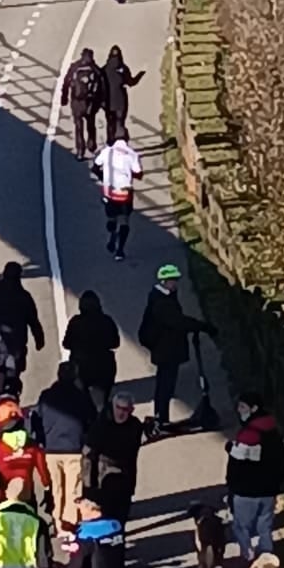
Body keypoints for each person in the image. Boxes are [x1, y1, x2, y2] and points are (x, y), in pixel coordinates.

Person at [30, 362, 95, 533]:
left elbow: (36, 419)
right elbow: (91, 418)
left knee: (56, 488)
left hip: (51, 448)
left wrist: (41, 440)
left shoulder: (47, 396)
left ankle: (58, 522)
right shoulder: (81, 396)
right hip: (73, 447)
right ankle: (70, 521)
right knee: (73, 488)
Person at [225, 392, 284, 567]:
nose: (239, 410)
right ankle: (267, 557)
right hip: (269, 490)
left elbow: (240, 459)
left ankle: (249, 556)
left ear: (254, 409)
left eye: (243, 407)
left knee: (240, 526)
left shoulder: (249, 435)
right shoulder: (273, 430)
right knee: (264, 526)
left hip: (247, 491)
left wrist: (230, 447)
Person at [139, 264, 202, 429]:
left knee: (165, 384)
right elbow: (177, 321)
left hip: (165, 349)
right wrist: (199, 325)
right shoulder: (162, 302)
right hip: (167, 350)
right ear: (164, 281)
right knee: (165, 385)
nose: (175, 283)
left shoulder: (164, 296)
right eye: (172, 280)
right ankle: (161, 418)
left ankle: (161, 417)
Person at [0, 261, 46, 395]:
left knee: (0, 368)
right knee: (13, 369)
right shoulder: (24, 296)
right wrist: (39, 339)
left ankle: (0, 395)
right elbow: (33, 320)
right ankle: (12, 396)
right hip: (16, 341)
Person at [0, 399, 53, 517]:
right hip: (28, 498)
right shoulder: (31, 447)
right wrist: (48, 490)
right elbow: (43, 471)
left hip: (3, 499)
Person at [83, 390, 144, 526]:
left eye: (126, 409)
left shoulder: (135, 426)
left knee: (121, 516)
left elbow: (135, 450)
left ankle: (119, 542)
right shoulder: (100, 425)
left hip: (125, 479)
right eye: (119, 408)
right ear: (113, 405)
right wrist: (88, 486)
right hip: (103, 479)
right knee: (106, 517)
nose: (121, 413)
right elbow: (89, 457)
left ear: (131, 410)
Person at [63, 290, 120, 412]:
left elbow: (66, 344)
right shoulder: (106, 321)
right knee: (103, 395)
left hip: (81, 367)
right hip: (104, 366)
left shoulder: (76, 322)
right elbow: (115, 343)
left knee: (80, 395)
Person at [93, 126, 143, 261]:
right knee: (125, 221)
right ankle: (120, 250)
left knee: (111, 218)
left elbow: (95, 166)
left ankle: (112, 233)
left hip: (109, 191)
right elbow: (139, 173)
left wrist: (103, 177)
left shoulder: (106, 152)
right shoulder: (132, 154)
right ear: (127, 138)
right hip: (125, 193)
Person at [61, 47, 106, 160]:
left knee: (78, 126)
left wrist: (64, 98)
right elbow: (103, 86)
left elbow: (66, 82)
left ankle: (80, 151)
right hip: (90, 102)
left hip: (77, 102)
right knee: (91, 123)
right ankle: (91, 145)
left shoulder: (75, 67)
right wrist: (102, 101)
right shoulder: (95, 69)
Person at [101, 45, 144, 144]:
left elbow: (100, 86)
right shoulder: (123, 69)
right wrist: (141, 74)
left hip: (108, 102)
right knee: (120, 123)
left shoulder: (104, 69)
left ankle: (110, 143)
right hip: (121, 102)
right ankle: (121, 143)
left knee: (110, 123)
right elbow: (131, 82)